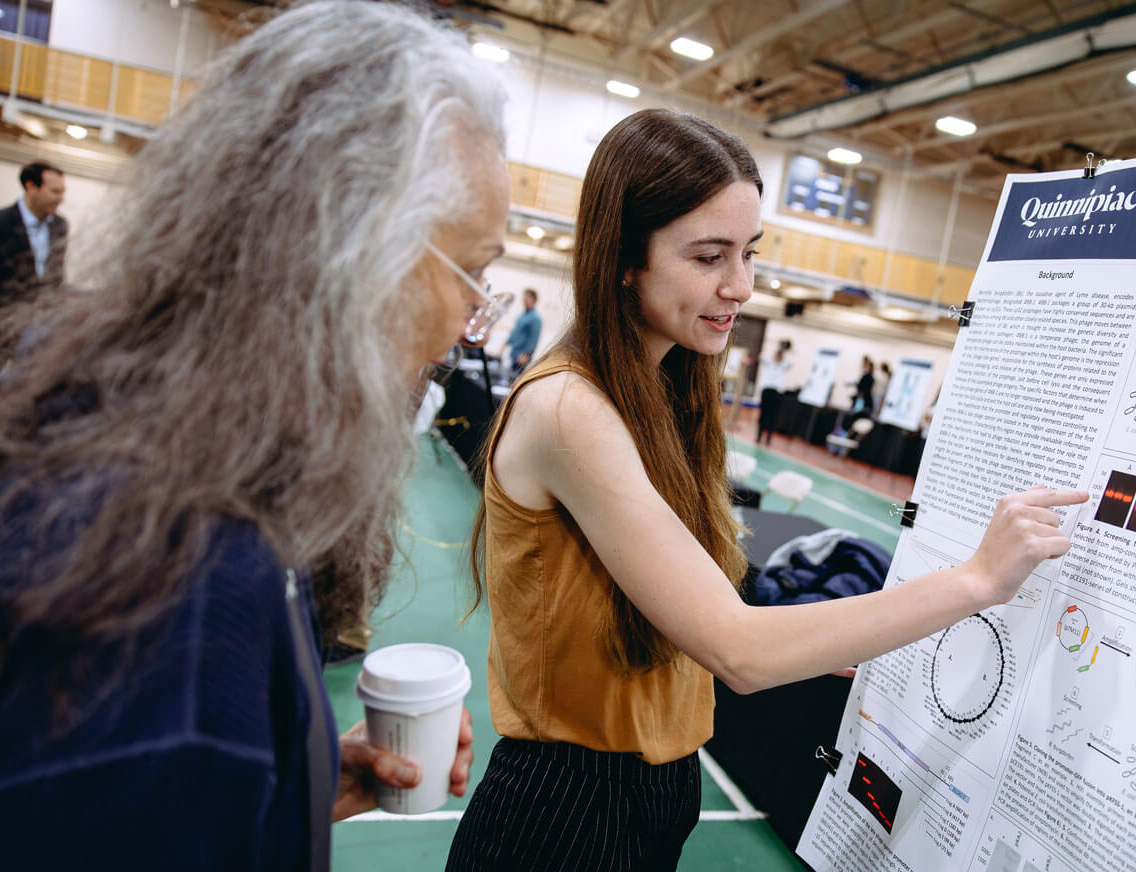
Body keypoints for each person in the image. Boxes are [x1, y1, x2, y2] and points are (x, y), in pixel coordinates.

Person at [447, 107, 1086, 871]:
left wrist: (833, 635)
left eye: (748, 253)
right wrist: (979, 579)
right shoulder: (568, 408)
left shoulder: (658, 394)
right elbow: (738, 652)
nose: (741, 286)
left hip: (652, 793)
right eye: (710, 256)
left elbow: (699, 606)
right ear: (624, 255)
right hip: (568, 812)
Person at [0, 3, 506, 867]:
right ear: (350, 250)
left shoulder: (128, 435)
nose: (472, 322)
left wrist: (291, 779)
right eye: (472, 274)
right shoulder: (171, 592)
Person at [0, 160, 69, 380]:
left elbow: (55, 275)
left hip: (37, 324)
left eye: (62, 192)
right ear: (31, 187)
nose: (61, 198)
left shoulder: (59, 226)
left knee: (28, 386)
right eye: (54, 191)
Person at [755, 339, 790, 445]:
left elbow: (792, 362)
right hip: (766, 391)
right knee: (763, 414)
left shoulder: (783, 366)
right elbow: (761, 356)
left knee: (773, 416)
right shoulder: (769, 363)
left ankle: (768, 439)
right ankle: (759, 436)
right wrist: (773, 346)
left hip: (776, 393)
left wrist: (784, 350)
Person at [504, 286, 541, 378]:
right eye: (524, 298)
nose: (524, 300)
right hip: (514, 352)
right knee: (509, 377)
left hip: (522, 355)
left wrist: (526, 354)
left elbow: (534, 338)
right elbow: (515, 332)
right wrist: (505, 344)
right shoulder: (522, 316)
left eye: (527, 298)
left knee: (515, 380)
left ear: (534, 300)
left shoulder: (535, 318)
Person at [848, 354, 876, 423]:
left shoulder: (868, 377)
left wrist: (859, 396)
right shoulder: (866, 376)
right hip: (862, 399)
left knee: (857, 417)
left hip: (863, 400)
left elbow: (864, 389)